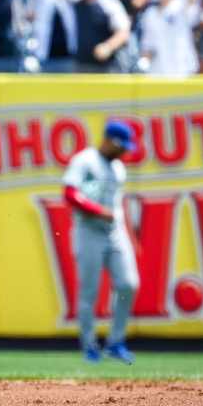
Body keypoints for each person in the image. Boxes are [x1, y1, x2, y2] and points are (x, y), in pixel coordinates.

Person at [63, 120, 138, 365]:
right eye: (121, 146)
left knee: (128, 284)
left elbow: (117, 205)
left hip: (114, 231)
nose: (124, 151)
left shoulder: (118, 168)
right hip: (87, 231)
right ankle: (90, 346)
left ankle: (116, 342)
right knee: (89, 292)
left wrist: (131, 235)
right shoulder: (85, 160)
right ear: (109, 140)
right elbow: (70, 194)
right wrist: (97, 210)